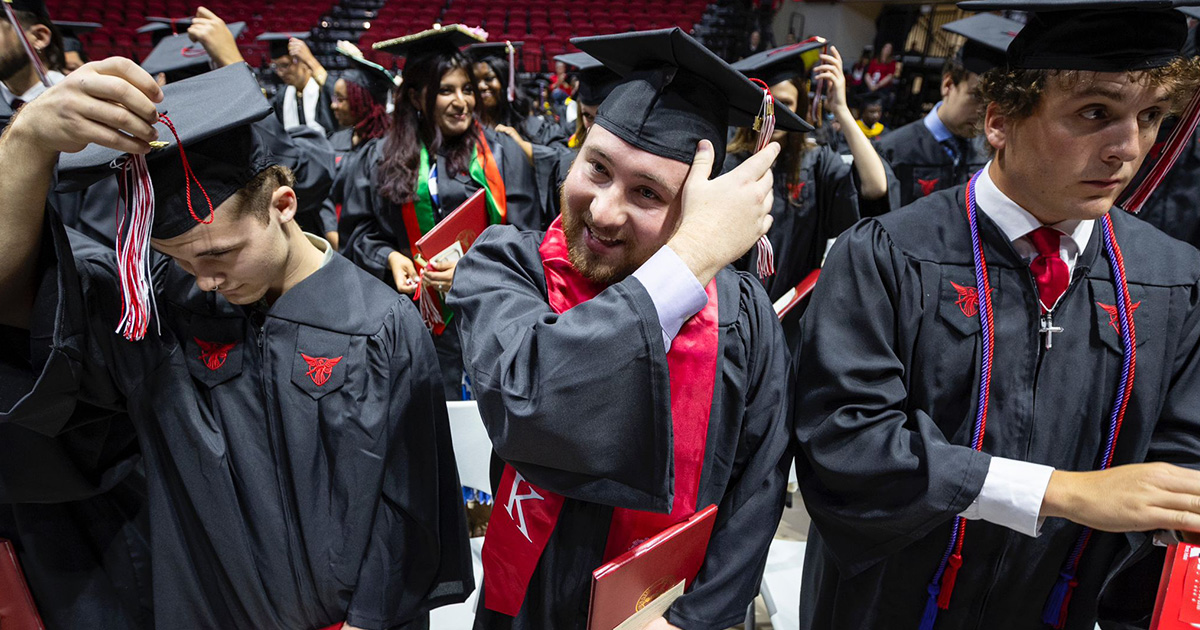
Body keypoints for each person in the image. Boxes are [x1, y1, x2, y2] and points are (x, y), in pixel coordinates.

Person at [0, 60, 472, 630]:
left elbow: (410, 509)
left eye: (219, 253)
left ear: (283, 205)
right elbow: (19, 296)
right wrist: (25, 145)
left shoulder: (380, 326)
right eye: (178, 259)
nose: (204, 280)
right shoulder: (161, 313)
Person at [793, 1, 1200, 629]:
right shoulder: (888, 255)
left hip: (1060, 604)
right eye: (1095, 113)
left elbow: (1180, 453)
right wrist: (1062, 492)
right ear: (1000, 121)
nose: (1128, 148)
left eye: (1149, 117)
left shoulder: (1172, 277)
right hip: (890, 604)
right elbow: (847, 444)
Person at [452, 27, 797, 630]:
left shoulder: (743, 317)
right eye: (598, 167)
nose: (605, 210)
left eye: (646, 193)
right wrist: (686, 261)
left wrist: (691, 620)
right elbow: (529, 406)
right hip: (532, 602)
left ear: (696, 209)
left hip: (670, 610)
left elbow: (758, 488)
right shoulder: (507, 267)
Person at [339, 24, 545, 400]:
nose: (461, 102)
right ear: (416, 96)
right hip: (412, 320)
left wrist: (475, 268)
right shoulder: (380, 158)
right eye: (446, 90)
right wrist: (389, 258)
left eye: (467, 89)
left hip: (489, 314)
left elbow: (529, 236)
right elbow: (358, 232)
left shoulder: (501, 154)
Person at [726, 41, 894, 347]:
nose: (775, 112)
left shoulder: (815, 163)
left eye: (786, 103)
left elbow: (876, 187)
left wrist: (841, 110)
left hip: (791, 319)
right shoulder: (728, 164)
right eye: (767, 102)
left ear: (800, 107)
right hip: (729, 318)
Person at [876, 13, 1019, 206]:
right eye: (976, 97)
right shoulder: (893, 150)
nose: (984, 112)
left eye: (993, 102)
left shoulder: (989, 154)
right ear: (948, 85)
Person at [322, 51, 394, 248]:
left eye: (340, 99)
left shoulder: (389, 146)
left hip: (373, 244)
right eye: (334, 98)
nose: (333, 105)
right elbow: (324, 191)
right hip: (335, 239)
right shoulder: (336, 139)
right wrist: (331, 230)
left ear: (362, 102)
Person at [261, 31, 337, 135]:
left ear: (303, 62)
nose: (280, 72)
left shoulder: (322, 90)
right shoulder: (282, 97)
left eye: (285, 65)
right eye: (275, 66)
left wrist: (311, 60)